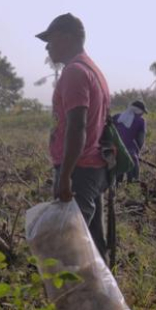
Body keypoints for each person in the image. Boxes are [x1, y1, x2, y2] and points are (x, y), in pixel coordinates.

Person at [36, 13, 112, 262]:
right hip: (91, 169)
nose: (47, 46)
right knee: (92, 243)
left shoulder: (74, 73)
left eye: (51, 39)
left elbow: (76, 126)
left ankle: (80, 300)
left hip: (79, 170)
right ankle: (103, 299)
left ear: (67, 38)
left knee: (72, 251)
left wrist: (66, 176)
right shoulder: (93, 70)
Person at [112, 100, 147, 183]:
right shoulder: (140, 121)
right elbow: (140, 140)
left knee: (116, 181)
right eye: (142, 112)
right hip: (131, 154)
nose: (142, 114)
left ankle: (116, 193)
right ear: (138, 111)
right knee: (133, 182)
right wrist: (138, 152)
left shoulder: (117, 117)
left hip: (116, 152)